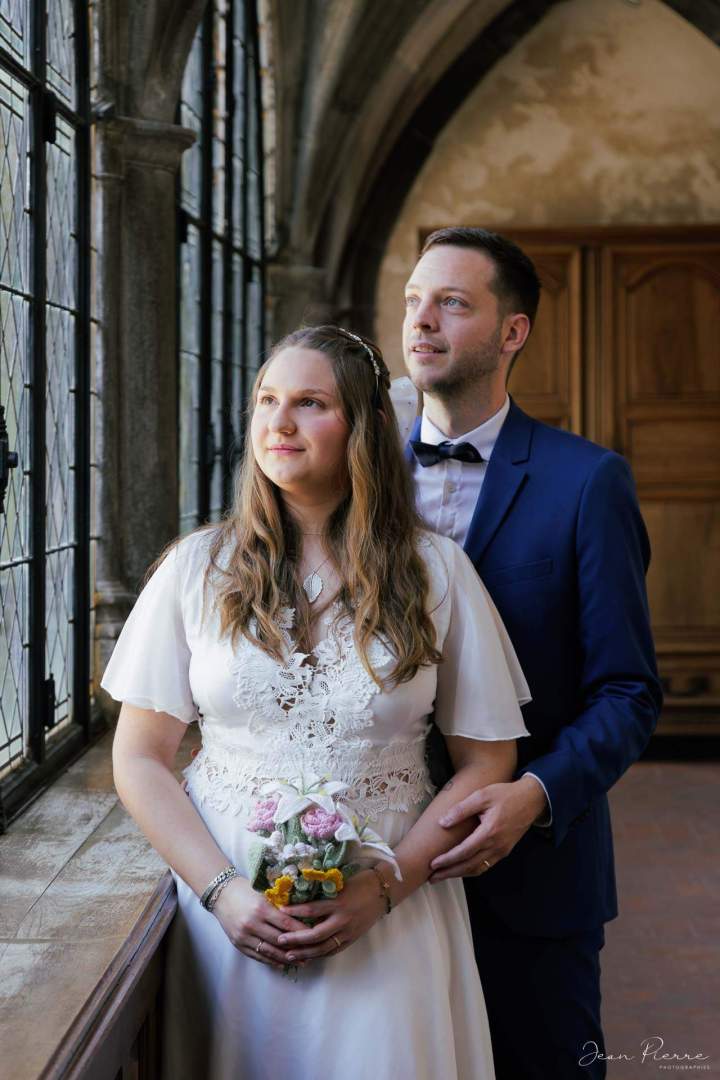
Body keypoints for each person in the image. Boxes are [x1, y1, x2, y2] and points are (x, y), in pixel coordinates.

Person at [102, 324, 532, 1080]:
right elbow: (139, 757)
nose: (279, 421)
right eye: (267, 400)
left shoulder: (437, 573)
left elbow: (489, 756)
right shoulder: (195, 570)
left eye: (309, 403)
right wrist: (223, 894)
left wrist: (389, 886)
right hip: (228, 907)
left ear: (361, 428)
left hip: (390, 911)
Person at [400, 227, 663, 1080]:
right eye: (413, 300)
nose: (423, 321)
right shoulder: (353, 478)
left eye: (452, 302)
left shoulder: (587, 482)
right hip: (380, 869)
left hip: (533, 881)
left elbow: (627, 691)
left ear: (512, 332)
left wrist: (534, 797)